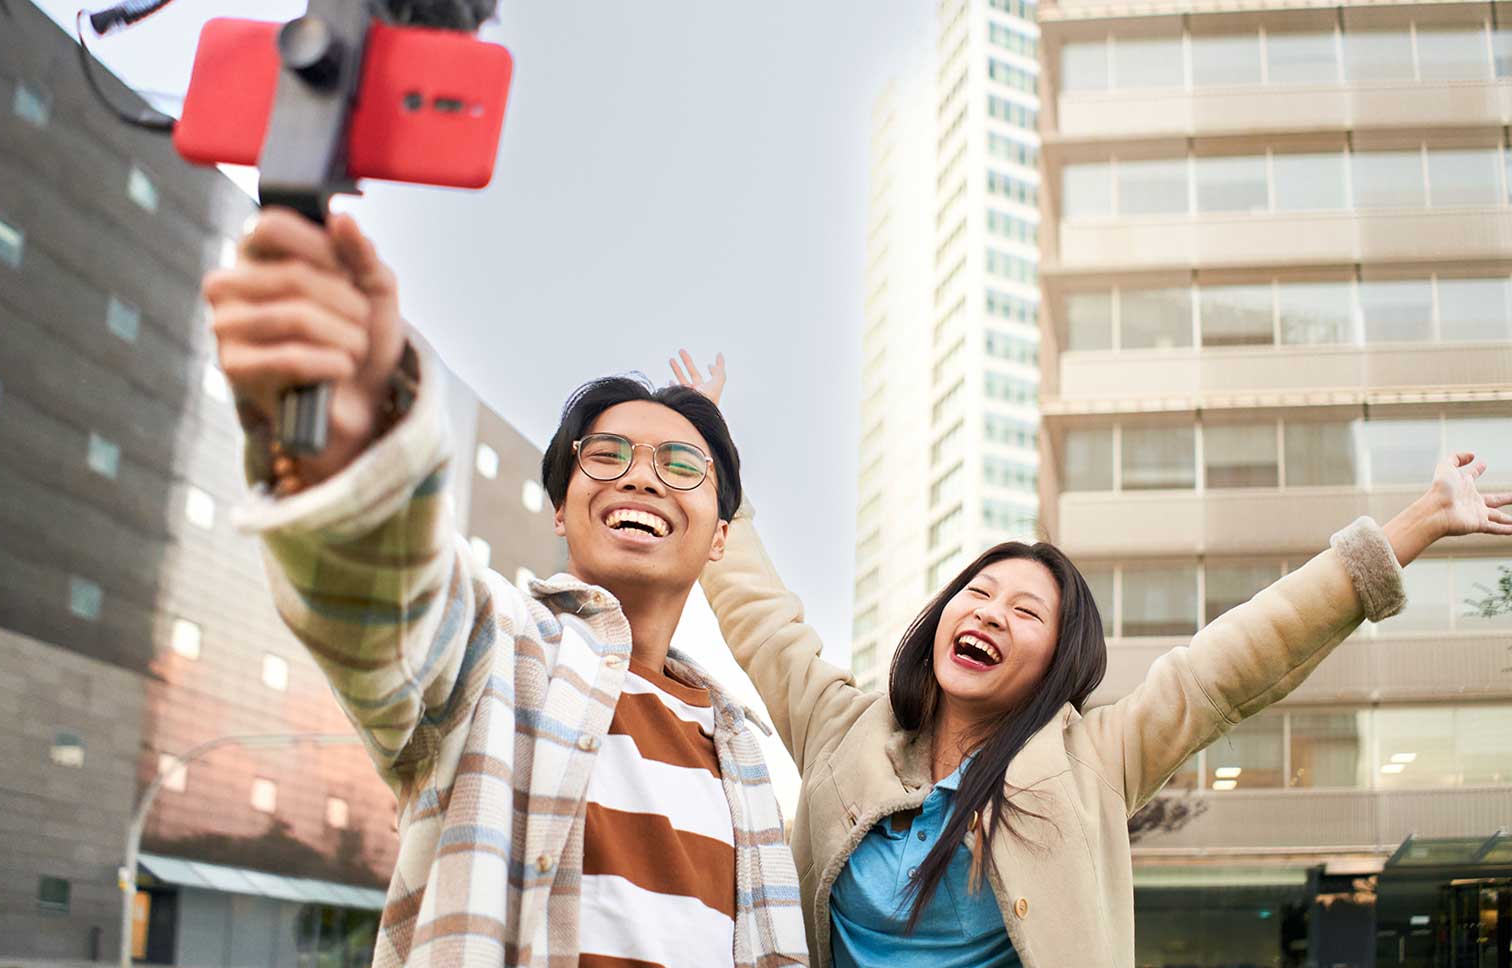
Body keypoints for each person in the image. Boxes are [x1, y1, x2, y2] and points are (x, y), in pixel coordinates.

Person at [669, 353, 1512, 968]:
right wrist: (709, 461)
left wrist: (1415, 526)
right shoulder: (842, 730)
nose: (990, 613)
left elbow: (1235, 660)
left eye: (1025, 612)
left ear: (1055, 665)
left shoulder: (1094, 760)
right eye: (979, 593)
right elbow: (763, 620)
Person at [202, 210, 808, 968]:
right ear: (561, 508)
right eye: (608, 453)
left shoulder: (741, 747)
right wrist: (353, 449)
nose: (642, 474)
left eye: (682, 466)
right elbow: (388, 600)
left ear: (722, 535)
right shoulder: (501, 651)